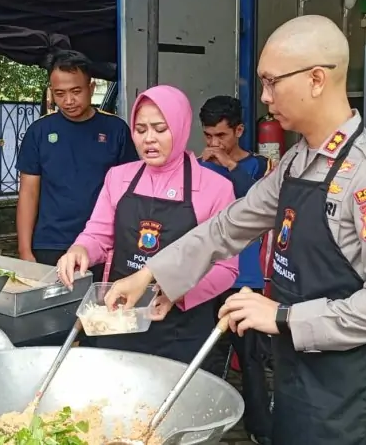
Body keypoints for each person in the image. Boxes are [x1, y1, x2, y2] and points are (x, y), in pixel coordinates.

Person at [104, 15, 366, 445]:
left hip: (354, 398)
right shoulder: (296, 163)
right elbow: (228, 227)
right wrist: (150, 275)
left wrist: (282, 317)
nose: (264, 96)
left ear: (316, 79)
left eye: (272, 82)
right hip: (297, 372)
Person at [56, 85, 238, 364]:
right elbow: (98, 235)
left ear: (180, 127)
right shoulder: (118, 177)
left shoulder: (216, 188)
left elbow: (226, 268)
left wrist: (174, 291)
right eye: (140, 130)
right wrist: (80, 249)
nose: (149, 139)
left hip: (181, 328)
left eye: (160, 129)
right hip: (119, 317)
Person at [16, 50, 137, 277]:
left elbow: (130, 193)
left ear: (91, 88)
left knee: (100, 309)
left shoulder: (116, 130)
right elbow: (28, 193)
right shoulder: (39, 132)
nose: (69, 101)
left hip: (103, 244)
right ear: (51, 92)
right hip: (50, 244)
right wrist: (25, 251)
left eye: (76, 91)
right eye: (60, 93)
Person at [197, 95, 273, 445]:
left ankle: (260, 427)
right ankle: (203, 423)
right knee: (208, 354)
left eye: (221, 136)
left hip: (244, 279)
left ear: (239, 131)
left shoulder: (259, 166)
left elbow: (257, 205)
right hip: (207, 275)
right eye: (208, 136)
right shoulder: (198, 167)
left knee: (251, 358)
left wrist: (229, 164)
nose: (214, 144)